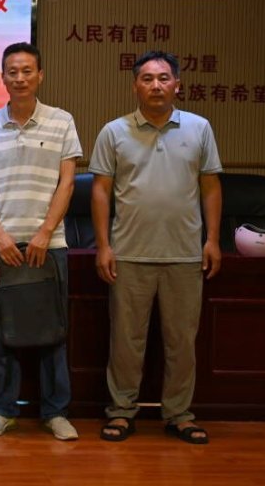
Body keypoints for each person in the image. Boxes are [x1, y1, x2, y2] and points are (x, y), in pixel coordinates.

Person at [90, 50, 222, 445]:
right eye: (147, 79)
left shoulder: (199, 128)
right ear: (135, 85)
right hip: (128, 254)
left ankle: (179, 415)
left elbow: (210, 186)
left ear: (177, 84)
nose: (156, 85)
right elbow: (101, 191)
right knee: (126, 342)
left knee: (182, 342)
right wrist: (103, 245)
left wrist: (212, 240)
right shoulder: (114, 132)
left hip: (185, 254)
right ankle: (121, 412)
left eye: (164, 78)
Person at [0, 42, 81, 441]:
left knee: (53, 330)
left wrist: (45, 232)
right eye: (12, 72)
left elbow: (68, 182)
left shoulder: (61, 121)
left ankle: (56, 412)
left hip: (49, 246)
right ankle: (3, 409)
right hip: (1, 247)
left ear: (40, 75)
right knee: (4, 330)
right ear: (2, 77)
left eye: (27, 71)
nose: (20, 78)